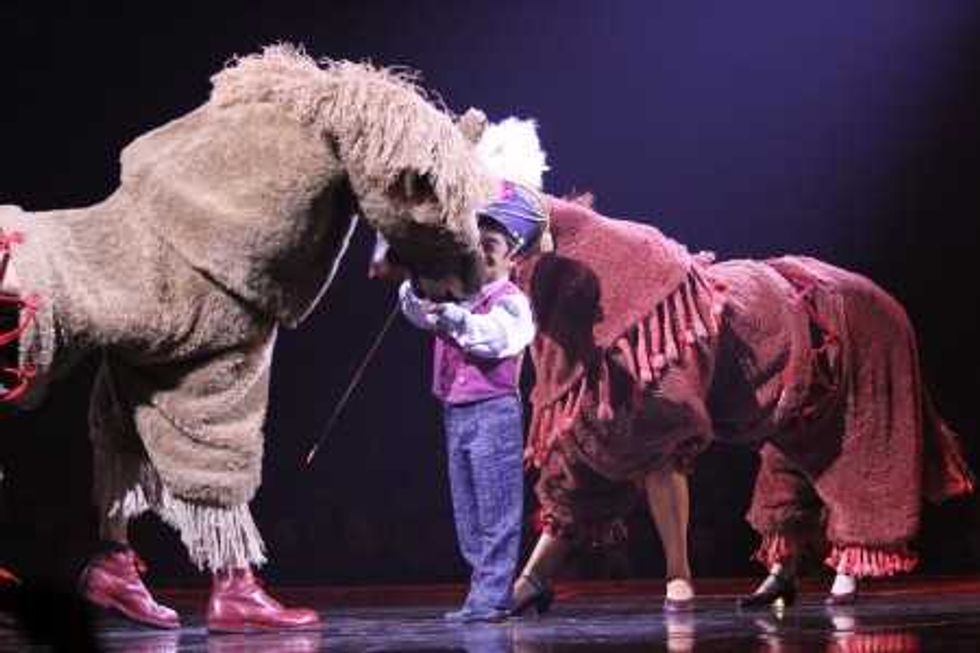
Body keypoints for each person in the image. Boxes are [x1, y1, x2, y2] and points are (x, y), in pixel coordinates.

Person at [398, 182, 544, 621]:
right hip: (455, 412)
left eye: (491, 245)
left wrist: (455, 317)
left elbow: (494, 338)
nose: (481, 252)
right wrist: (416, 284)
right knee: (468, 511)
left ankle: (494, 596)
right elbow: (415, 310)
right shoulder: (455, 294)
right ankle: (482, 592)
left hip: (494, 411)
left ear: (511, 255)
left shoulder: (512, 302)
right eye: (475, 244)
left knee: (497, 509)